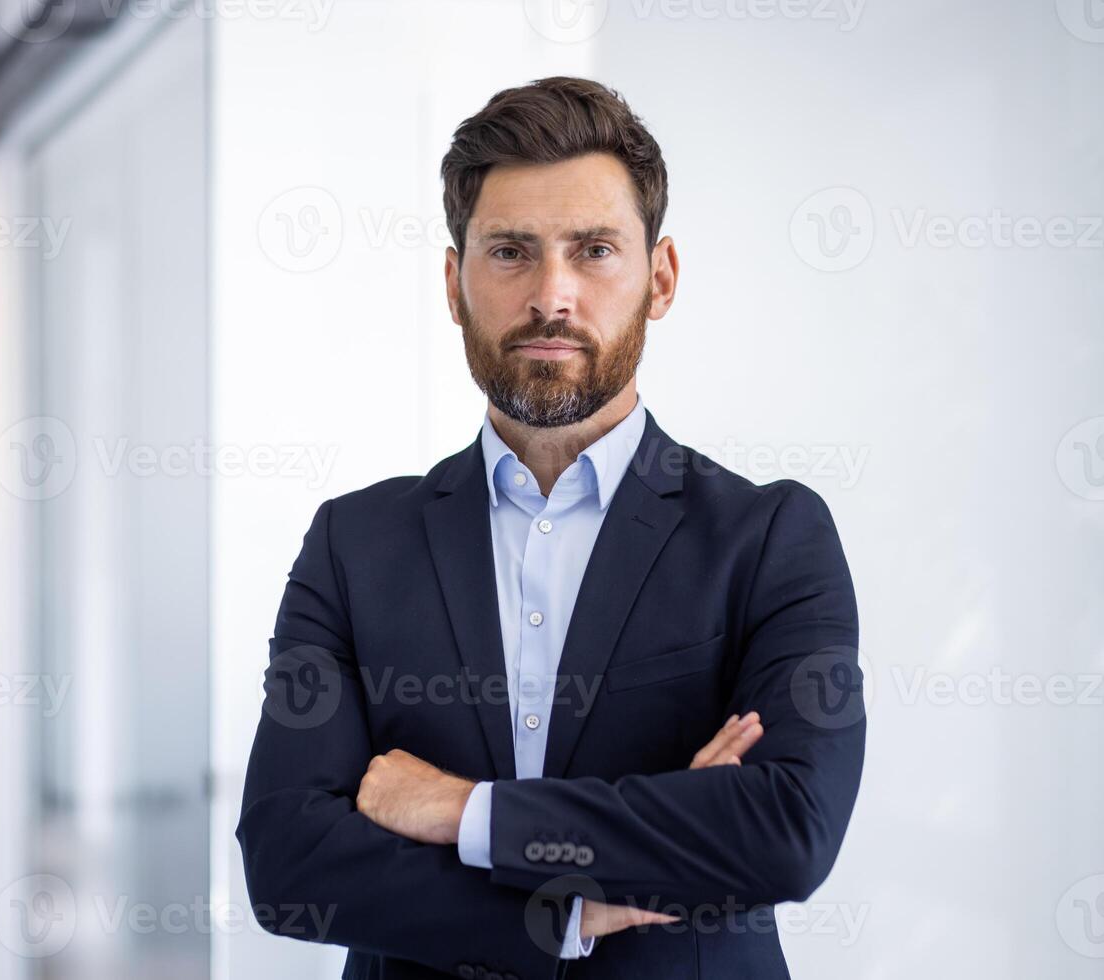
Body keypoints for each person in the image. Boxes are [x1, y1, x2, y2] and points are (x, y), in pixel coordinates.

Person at [237, 75, 865, 979]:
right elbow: (291, 861)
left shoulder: (770, 539)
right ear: (454, 285)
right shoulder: (354, 545)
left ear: (662, 278)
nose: (552, 295)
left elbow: (786, 832)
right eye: (510, 252)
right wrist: (574, 906)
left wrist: (466, 813)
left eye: (595, 249)